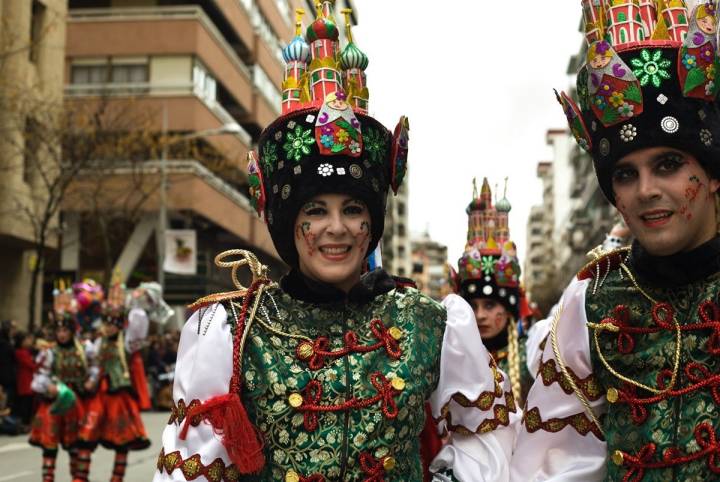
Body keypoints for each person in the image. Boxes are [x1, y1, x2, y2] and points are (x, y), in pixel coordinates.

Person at [154, 4, 519, 481]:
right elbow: (194, 466)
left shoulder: (429, 322)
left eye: (353, 210)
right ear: (288, 225)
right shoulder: (233, 330)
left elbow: (486, 432)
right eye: (314, 211)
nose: (337, 229)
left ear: (372, 223)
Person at [512, 2, 720, 480]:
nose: (646, 190)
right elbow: (553, 464)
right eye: (626, 174)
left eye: (668, 164)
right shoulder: (590, 306)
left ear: (711, 175)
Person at [451, 177, 534, 404]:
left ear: (508, 310)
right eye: (472, 306)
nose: (479, 315)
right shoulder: (452, 359)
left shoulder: (532, 358)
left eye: (489, 305)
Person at [75, 304, 150, 482]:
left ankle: (116, 479)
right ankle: (80, 477)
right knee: (86, 435)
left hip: (120, 396)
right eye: (106, 324)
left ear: (119, 326)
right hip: (100, 394)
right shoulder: (99, 342)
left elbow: (138, 327)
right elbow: (94, 365)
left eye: (112, 325)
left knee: (122, 440)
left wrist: (137, 303)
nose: (108, 328)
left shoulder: (126, 342)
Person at [29, 313, 98, 482]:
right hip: (54, 402)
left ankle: (78, 479)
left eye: (65, 330)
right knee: (49, 445)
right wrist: (48, 386)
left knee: (77, 446)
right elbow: (40, 375)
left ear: (72, 331)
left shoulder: (84, 348)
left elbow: (95, 367)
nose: (62, 334)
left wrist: (91, 381)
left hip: (77, 402)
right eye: (59, 330)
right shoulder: (49, 351)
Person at [13, 330, 36, 428]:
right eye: (27, 339)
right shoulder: (21, 353)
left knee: (28, 403)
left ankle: (26, 423)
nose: (29, 341)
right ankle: (24, 424)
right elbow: (31, 365)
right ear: (21, 341)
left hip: (27, 380)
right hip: (25, 380)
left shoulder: (25, 352)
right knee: (26, 404)